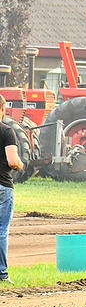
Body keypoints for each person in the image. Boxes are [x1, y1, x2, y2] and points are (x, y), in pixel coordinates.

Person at [0, 95, 24, 285]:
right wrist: (20, 166)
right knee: (1, 231)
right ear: (3, 109)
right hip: (2, 186)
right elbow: (12, 161)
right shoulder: (7, 131)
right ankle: (2, 274)